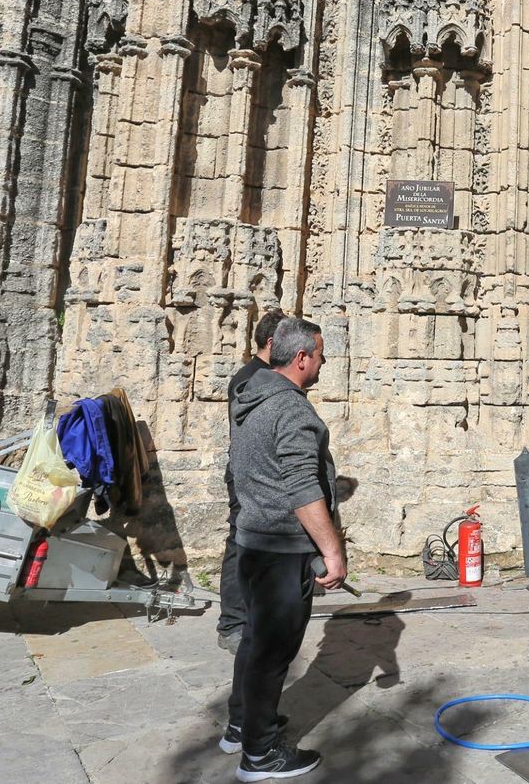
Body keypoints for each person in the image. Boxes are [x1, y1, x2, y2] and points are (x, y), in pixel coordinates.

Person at [223, 316, 343, 781]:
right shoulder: (291, 409)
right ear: (301, 358)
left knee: (255, 640)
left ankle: (243, 725)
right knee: (272, 654)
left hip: (253, 539)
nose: (323, 363)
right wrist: (332, 551)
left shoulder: (251, 394)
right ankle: (261, 755)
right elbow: (301, 487)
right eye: (321, 355)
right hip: (281, 550)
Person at [218, 307, 288, 652]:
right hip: (247, 476)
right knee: (240, 546)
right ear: (272, 342)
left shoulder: (265, 375)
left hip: (261, 476)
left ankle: (254, 616)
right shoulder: (250, 378)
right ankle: (231, 624)